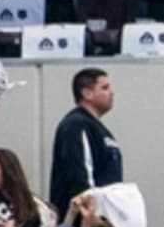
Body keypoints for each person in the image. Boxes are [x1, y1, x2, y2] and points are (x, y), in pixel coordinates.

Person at [48, 68, 120, 218]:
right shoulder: (76, 125)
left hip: (103, 219)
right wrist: (92, 217)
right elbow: (79, 176)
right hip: (83, 222)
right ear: (87, 93)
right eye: (105, 88)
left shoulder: (99, 129)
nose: (111, 93)